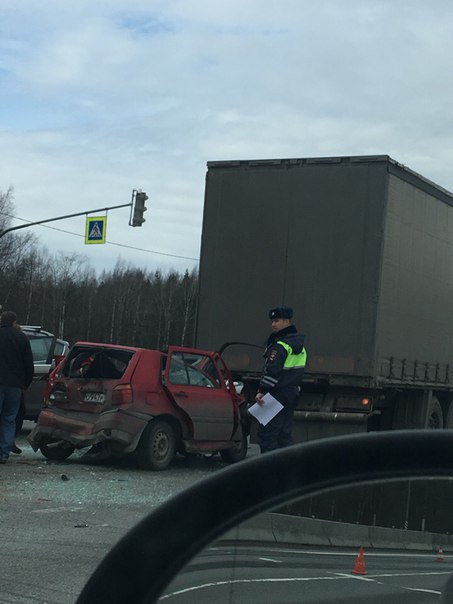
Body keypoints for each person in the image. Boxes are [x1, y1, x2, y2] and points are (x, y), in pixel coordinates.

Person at [255, 306, 307, 453]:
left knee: (268, 434)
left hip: (276, 394)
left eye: (276, 321)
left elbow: (272, 371)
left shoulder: (280, 346)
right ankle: (289, 468)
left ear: (287, 321)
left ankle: (269, 469)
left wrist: (262, 391)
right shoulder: (300, 346)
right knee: (284, 435)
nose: (273, 324)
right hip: (292, 393)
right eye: (272, 321)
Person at [0, 311, 34, 463]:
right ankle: (4, 453)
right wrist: (26, 382)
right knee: (9, 418)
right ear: (14, 322)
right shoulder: (22, 338)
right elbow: (28, 363)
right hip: (14, 385)